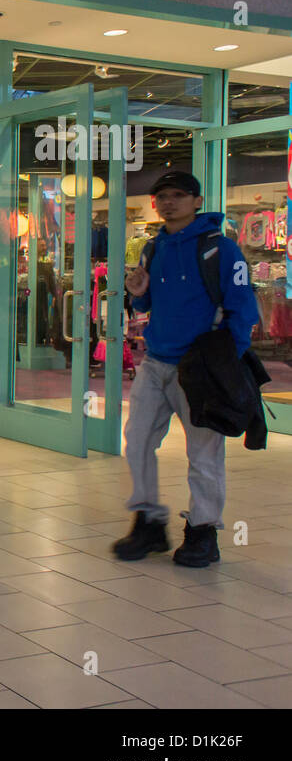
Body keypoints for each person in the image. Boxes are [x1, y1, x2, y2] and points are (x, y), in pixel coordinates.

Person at [114, 170, 260, 568]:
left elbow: (243, 309)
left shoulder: (221, 249)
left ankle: (202, 532)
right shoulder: (151, 248)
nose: (168, 202)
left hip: (200, 367)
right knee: (138, 440)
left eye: (179, 195)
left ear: (196, 201)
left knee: (204, 452)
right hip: (156, 362)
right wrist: (137, 293)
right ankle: (149, 522)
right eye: (162, 196)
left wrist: (226, 361)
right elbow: (144, 306)